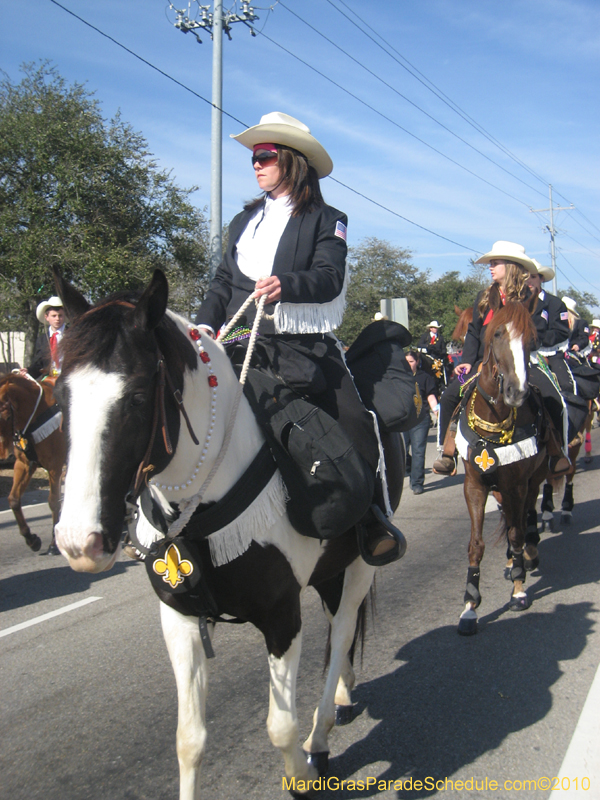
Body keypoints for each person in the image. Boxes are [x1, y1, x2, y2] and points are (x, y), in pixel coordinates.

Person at [195, 111, 401, 564]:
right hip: (237, 341)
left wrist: (287, 284)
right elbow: (222, 283)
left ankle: (371, 515)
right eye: (253, 156)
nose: (255, 163)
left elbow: (329, 277)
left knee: (354, 417)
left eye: (265, 155)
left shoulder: (327, 218)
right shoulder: (242, 221)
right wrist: (203, 326)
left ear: (292, 161)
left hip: (298, 342)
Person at [432, 242, 570, 476]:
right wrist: (466, 360)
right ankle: (448, 453)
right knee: (448, 396)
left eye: (495, 263)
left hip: (521, 362)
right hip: (485, 363)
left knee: (553, 397)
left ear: (511, 266)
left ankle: (556, 453)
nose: (491, 267)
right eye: (491, 263)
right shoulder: (484, 297)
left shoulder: (530, 297)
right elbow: (475, 331)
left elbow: (534, 332)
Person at [402, 351, 438, 494]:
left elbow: (431, 396)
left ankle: (417, 482)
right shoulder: (399, 378)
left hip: (420, 419)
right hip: (403, 420)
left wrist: (437, 411)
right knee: (403, 451)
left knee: (418, 451)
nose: (408, 365)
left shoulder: (425, 377)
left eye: (411, 361)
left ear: (417, 361)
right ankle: (410, 470)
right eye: (406, 362)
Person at [22, 296, 66, 379]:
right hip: (49, 378)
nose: (57, 319)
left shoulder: (71, 335)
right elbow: (38, 363)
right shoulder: (42, 340)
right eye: (54, 316)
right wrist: (28, 371)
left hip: (68, 378)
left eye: (60, 315)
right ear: (47, 317)